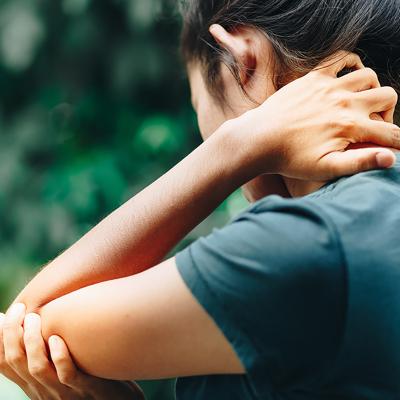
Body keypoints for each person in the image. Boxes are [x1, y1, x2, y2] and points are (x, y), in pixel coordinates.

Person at [1, 0, 400, 399]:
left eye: (198, 105)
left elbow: (31, 324)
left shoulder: (306, 242)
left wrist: (239, 145)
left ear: (241, 60)